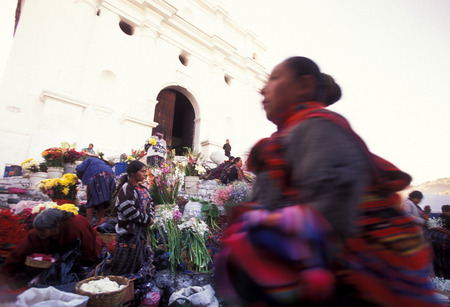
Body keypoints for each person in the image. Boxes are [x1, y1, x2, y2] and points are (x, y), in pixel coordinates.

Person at [215, 56, 439, 306]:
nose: (263, 88)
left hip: (347, 283)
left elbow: (330, 212)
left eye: (275, 78)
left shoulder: (321, 128)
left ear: (304, 85)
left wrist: (255, 230)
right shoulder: (289, 136)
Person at [0, 208, 101, 285]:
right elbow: (20, 253)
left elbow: (89, 251)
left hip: (84, 256)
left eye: (42, 231)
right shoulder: (39, 231)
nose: (39, 233)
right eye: (37, 230)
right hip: (58, 254)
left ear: (56, 228)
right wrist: (4, 273)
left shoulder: (76, 228)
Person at [110, 160, 154, 275]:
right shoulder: (126, 188)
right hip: (128, 233)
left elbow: (150, 205)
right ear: (133, 173)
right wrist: (147, 220)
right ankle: (121, 284)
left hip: (141, 231)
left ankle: (134, 284)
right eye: (142, 172)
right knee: (124, 264)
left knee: (137, 261)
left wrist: (151, 216)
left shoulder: (144, 189)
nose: (145, 174)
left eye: (146, 172)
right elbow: (129, 211)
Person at [76, 157, 116, 225]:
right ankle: (99, 224)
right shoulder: (103, 164)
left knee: (91, 202)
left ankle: (88, 224)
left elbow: (79, 168)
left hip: (97, 176)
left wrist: (79, 176)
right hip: (110, 177)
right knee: (102, 202)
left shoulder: (89, 159)